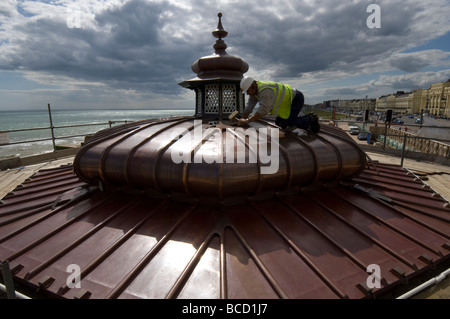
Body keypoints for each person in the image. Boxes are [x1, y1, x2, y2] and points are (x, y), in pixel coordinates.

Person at [238, 77, 320, 133]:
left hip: (295, 99)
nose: (247, 94)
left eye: (247, 91)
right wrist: (242, 119)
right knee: (278, 122)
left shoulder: (265, 91)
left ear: (252, 86)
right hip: (289, 101)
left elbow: (263, 111)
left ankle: (310, 119)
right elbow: (249, 106)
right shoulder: (255, 92)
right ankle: (302, 121)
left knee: (286, 125)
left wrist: (247, 121)